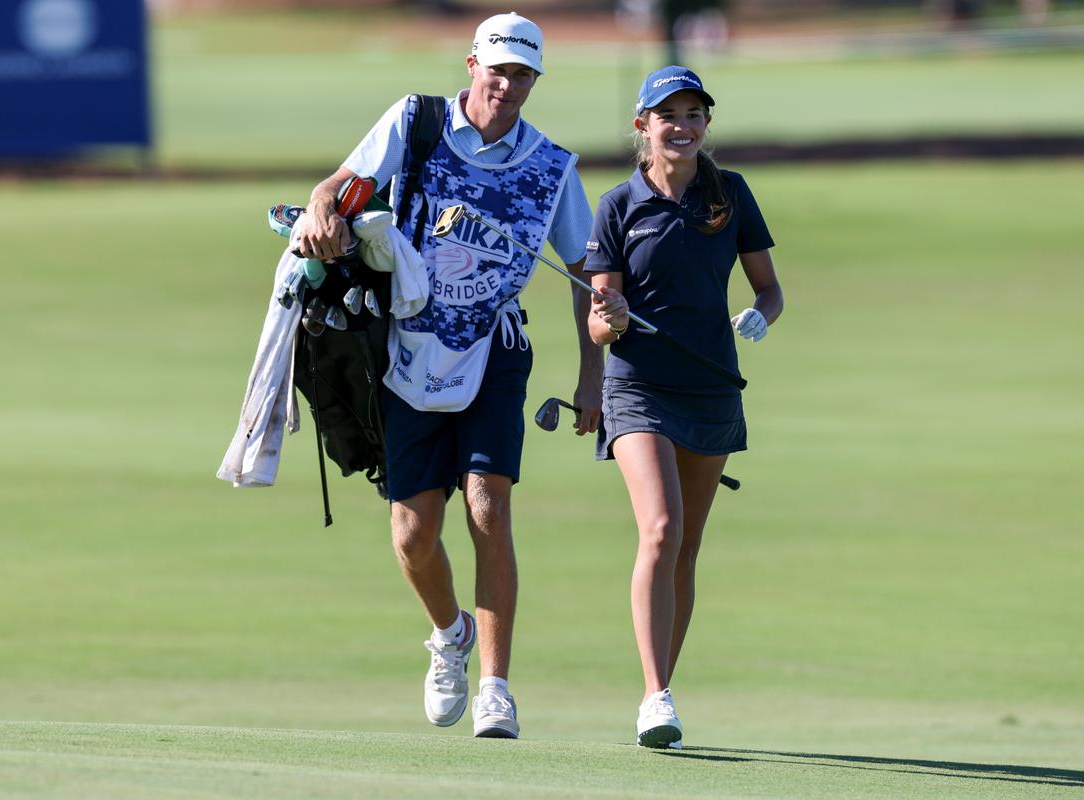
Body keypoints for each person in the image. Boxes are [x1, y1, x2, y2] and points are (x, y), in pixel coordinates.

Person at [292, 12, 602, 739]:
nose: (507, 84)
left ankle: (496, 686)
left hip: (495, 349)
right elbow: (343, 181)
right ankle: (450, 634)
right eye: (498, 69)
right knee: (412, 534)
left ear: (534, 80)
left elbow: (588, 274)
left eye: (523, 73)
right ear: (472, 64)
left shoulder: (552, 166)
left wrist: (594, 376)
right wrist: (318, 209)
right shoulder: (417, 120)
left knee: (488, 510)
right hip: (408, 351)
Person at [583, 65, 783, 749]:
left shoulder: (730, 194)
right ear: (643, 126)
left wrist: (760, 315)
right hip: (638, 386)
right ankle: (654, 696)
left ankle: (665, 684)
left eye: (695, 113)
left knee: (688, 547)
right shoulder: (617, 206)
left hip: (712, 385)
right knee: (661, 529)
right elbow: (599, 325)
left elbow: (769, 289)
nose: (684, 125)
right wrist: (609, 315)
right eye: (669, 114)